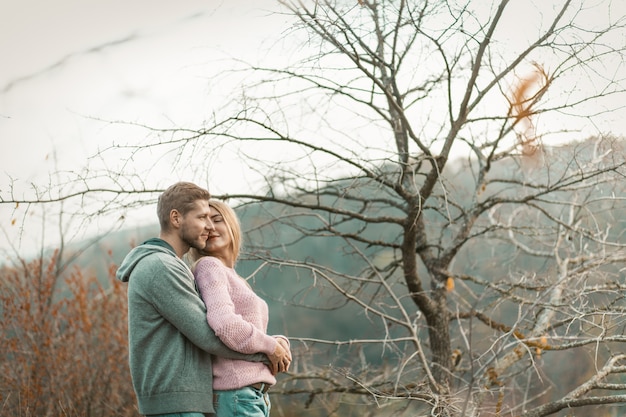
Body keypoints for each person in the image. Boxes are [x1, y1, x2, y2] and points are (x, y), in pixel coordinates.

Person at [116, 182, 287, 417]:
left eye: (214, 219)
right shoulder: (162, 267)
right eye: (203, 218)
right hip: (178, 403)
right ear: (176, 218)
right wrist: (269, 351)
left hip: (189, 401)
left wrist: (273, 345)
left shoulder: (174, 266)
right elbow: (210, 334)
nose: (208, 227)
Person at [187, 199, 292, 417]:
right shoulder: (210, 266)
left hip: (252, 396)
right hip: (237, 395)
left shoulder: (232, 276)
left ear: (232, 225)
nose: (211, 227)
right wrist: (271, 347)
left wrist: (277, 341)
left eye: (217, 219)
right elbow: (226, 326)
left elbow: (247, 329)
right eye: (204, 223)